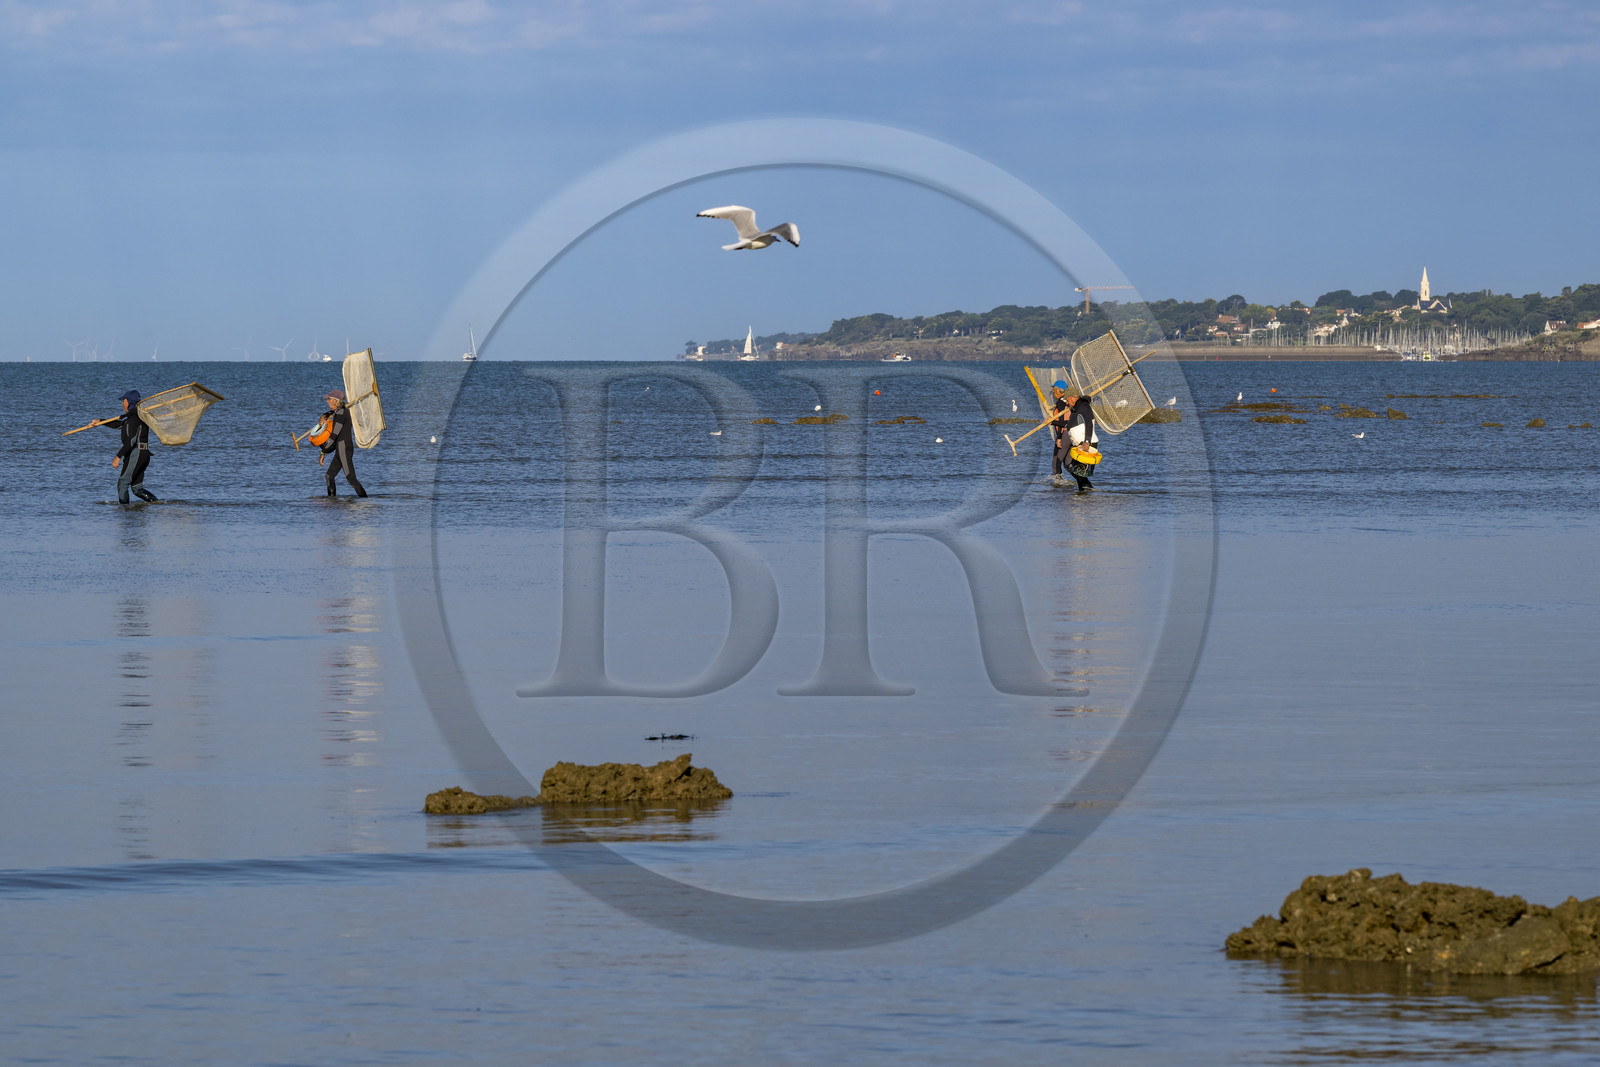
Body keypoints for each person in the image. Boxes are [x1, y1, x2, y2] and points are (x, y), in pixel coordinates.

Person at [103, 390, 159, 505]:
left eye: (123, 401)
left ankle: (124, 512)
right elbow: (119, 424)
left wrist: (118, 456)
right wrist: (100, 421)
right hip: (144, 454)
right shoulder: (135, 416)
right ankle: (157, 504)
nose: (122, 403)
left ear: (128, 401)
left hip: (136, 453)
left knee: (123, 483)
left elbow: (132, 440)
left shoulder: (134, 418)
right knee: (137, 488)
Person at [318, 388, 368, 498]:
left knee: (351, 478)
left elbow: (334, 435)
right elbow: (331, 412)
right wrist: (323, 416)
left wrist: (323, 452)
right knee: (329, 476)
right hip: (341, 449)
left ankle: (364, 500)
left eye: (329, 399)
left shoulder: (341, 415)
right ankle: (331, 501)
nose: (327, 401)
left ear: (335, 401)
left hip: (344, 449)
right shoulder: (341, 411)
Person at [1063, 392, 1100, 493]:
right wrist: (1052, 422)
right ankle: (1084, 493)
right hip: (1080, 444)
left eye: (1067, 399)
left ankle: (1086, 494)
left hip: (1087, 444)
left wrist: (1086, 442)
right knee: (1070, 467)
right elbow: (1070, 424)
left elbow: (1089, 424)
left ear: (1074, 397)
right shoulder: (1076, 408)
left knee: (1079, 471)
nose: (1067, 402)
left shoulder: (1084, 406)